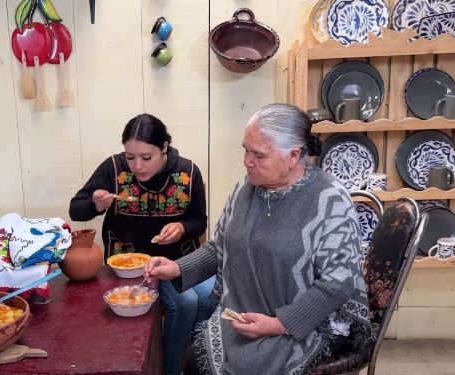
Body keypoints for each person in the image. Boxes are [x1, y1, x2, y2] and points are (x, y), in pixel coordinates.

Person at [144, 104, 372, 375]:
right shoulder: (245, 188)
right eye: (246, 149)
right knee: (195, 361)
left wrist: (278, 324)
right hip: (246, 311)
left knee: (248, 365)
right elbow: (221, 247)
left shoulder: (329, 200)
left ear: (293, 155)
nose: (246, 160)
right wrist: (177, 268)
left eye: (258, 155)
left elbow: (338, 283)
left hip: (308, 321)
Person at [69, 113, 217, 375]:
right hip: (130, 265)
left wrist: (182, 227)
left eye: (146, 157)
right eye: (130, 157)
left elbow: (200, 222)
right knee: (185, 303)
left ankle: (186, 356)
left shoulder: (188, 172)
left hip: (177, 261)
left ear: (164, 149)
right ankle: (170, 368)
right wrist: (95, 204)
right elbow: (76, 210)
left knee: (211, 295)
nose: (137, 166)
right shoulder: (113, 168)